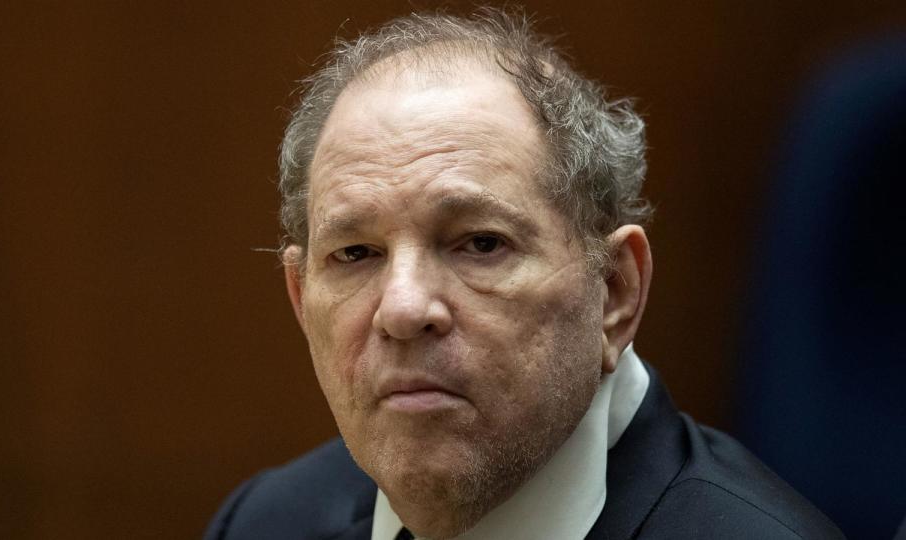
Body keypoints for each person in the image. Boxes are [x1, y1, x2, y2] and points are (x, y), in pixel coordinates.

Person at [205, 8, 843, 540]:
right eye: (355, 254)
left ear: (614, 291)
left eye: (480, 244)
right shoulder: (263, 522)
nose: (401, 309)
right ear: (299, 298)